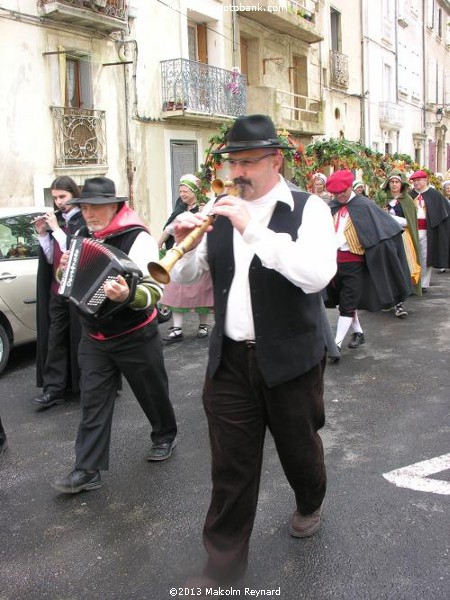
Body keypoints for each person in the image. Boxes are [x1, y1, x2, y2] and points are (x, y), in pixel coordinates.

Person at [170, 114, 337, 588]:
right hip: (230, 361)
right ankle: (221, 573)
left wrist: (252, 229)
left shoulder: (310, 209)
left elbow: (317, 275)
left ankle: (309, 500)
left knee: (299, 449)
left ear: (276, 160)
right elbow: (188, 278)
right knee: (230, 468)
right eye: (232, 163)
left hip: (291, 360)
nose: (237, 172)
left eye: (247, 162)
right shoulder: (218, 207)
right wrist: (184, 246)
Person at [51, 177, 177, 494]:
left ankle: (164, 435)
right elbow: (68, 281)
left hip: (135, 333)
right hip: (94, 336)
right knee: (92, 401)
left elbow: (155, 290)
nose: (89, 214)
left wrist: (126, 297)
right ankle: (87, 469)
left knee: (152, 392)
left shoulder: (138, 239)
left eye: (95, 208)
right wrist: (62, 268)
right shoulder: (79, 234)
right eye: (84, 207)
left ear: (113, 206)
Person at [324, 170, 411, 355]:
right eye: (335, 193)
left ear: (349, 187)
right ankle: (358, 333)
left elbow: (386, 228)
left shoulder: (364, 205)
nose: (339, 196)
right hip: (333, 264)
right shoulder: (332, 207)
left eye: (343, 192)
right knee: (344, 302)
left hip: (356, 263)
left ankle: (335, 345)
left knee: (348, 302)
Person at [33, 176, 85, 410]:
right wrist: (43, 234)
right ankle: (54, 388)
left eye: (62, 196)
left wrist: (55, 229)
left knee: (82, 339)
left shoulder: (84, 220)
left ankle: (88, 384)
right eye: (55, 197)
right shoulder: (59, 222)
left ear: (74, 194)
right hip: (57, 291)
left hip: (78, 292)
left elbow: (74, 251)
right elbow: (51, 258)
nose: (59, 202)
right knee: (55, 339)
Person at [158, 174, 213, 342]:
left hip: (199, 253)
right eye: (180, 191)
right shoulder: (179, 209)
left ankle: (203, 325)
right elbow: (169, 229)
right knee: (175, 290)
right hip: (179, 254)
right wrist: (159, 242)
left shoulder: (205, 208)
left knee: (201, 290)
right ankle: (177, 328)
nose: (182, 194)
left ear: (194, 191)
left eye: (185, 191)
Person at [380, 169, 422, 316]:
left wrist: (391, 219)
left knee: (402, 267)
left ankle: (400, 303)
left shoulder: (407, 201)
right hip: (385, 238)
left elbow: (409, 221)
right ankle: (388, 299)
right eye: (391, 181)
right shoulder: (382, 198)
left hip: (403, 237)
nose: (394, 184)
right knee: (386, 268)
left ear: (401, 183)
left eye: (397, 181)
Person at [408, 170, 450, 291]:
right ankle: (414, 281)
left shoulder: (434, 195)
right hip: (412, 230)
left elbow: (444, 212)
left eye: (418, 181)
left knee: (426, 257)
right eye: (414, 181)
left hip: (428, 231)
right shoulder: (410, 195)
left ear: (425, 180)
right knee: (413, 256)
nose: (416, 183)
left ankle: (423, 284)